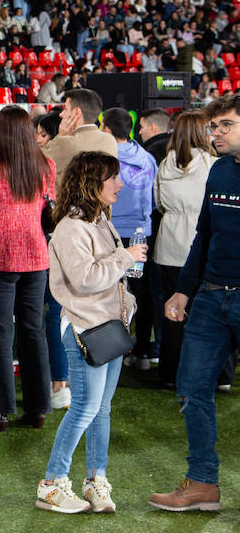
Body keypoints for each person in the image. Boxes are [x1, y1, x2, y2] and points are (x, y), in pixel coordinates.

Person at [37, 151, 143, 514]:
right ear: (91, 183)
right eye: (112, 177)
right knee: (84, 408)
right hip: (85, 328)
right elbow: (85, 280)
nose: (120, 183)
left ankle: (96, 479)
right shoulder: (71, 227)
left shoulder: (99, 221)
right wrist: (124, 258)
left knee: (101, 410)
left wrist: (125, 297)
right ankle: (52, 484)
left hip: (107, 327)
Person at [153, 95, 240, 512]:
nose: (215, 134)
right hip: (209, 297)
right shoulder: (220, 170)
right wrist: (183, 289)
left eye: (225, 125)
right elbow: (203, 234)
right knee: (191, 389)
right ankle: (203, 482)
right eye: (214, 127)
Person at [0, 107, 56, 431]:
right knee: (33, 333)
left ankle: (1, 412)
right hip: (36, 255)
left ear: (1, 132)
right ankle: (37, 409)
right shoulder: (46, 165)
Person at [153, 111, 218, 387]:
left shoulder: (165, 164)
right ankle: (207, 375)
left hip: (169, 243)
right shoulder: (214, 164)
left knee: (172, 312)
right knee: (206, 314)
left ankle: (170, 373)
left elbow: (157, 203)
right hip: (201, 243)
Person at [102, 108, 158, 369]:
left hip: (112, 233)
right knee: (139, 291)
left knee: (113, 291)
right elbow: (157, 196)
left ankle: (114, 350)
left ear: (107, 130)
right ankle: (142, 351)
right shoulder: (147, 158)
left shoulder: (105, 159)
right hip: (141, 233)